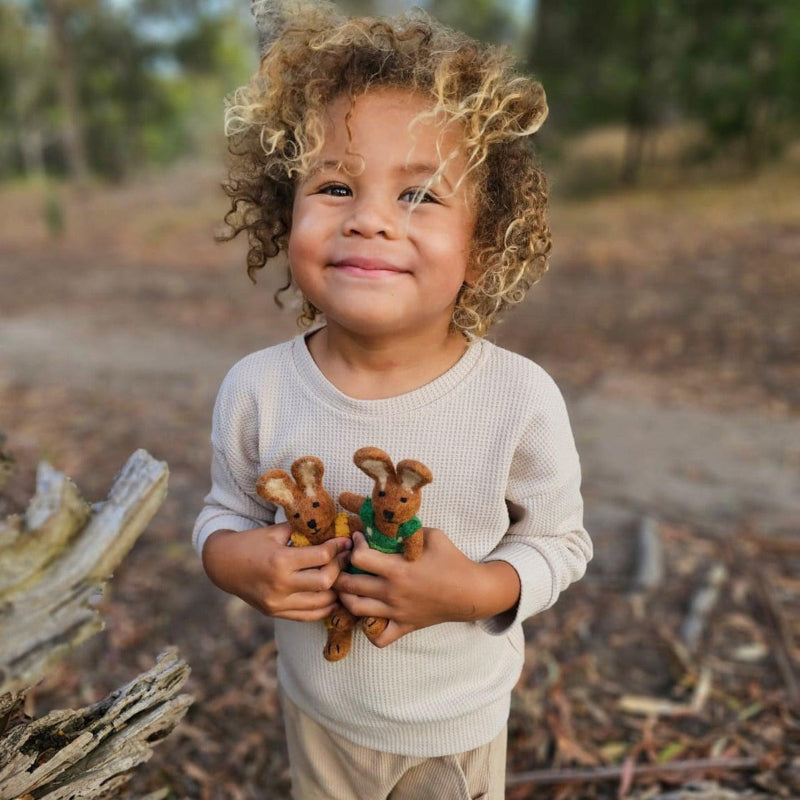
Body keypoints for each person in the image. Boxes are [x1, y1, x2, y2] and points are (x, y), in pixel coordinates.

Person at [194, 2, 592, 798]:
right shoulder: (258, 389)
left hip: (454, 731)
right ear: (288, 216)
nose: (371, 219)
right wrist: (238, 563)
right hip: (318, 715)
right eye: (336, 184)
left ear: (481, 247)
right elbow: (223, 515)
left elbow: (562, 543)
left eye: (420, 196)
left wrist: (478, 591)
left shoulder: (516, 398)